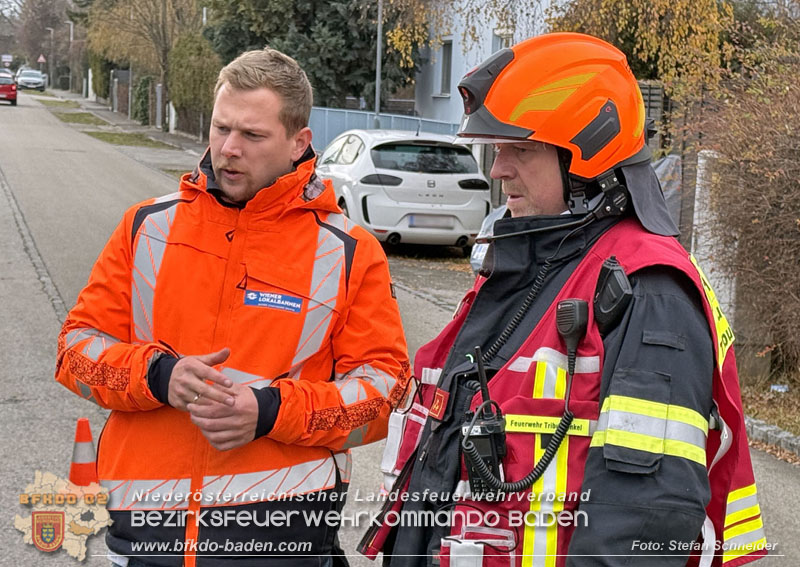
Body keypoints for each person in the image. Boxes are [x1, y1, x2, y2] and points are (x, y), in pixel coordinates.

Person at [360, 33, 766, 567]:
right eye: (498, 148)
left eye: (520, 150)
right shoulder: (538, 260)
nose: (499, 168)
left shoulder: (649, 290)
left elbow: (645, 520)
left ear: (585, 162)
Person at [55, 47, 410, 567]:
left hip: (279, 539)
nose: (228, 149)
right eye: (221, 129)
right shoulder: (146, 227)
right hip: (144, 535)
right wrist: (158, 376)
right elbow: (75, 352)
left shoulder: (350, 252)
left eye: (252, 135)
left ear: (298, 143)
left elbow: (384, 393)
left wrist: (268, 412)